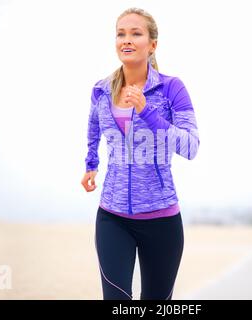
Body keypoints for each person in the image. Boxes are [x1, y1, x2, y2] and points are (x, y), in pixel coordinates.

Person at [81, 7, 200, 300]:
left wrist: (147, 112)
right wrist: (90, 164)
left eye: (136, 33)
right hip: (113, 216)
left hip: (161, 220)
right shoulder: (101, 90)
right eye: (121, 33)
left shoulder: (172, 88)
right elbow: (94, 129)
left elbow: (190, 147)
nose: (127, 40)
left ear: (152, 44)